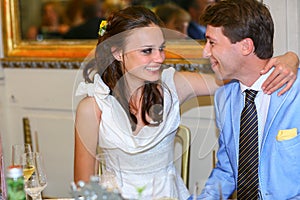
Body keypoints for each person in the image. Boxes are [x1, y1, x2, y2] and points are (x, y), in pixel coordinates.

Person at [74, 5, 299, 200]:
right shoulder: (93, 107)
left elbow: (246, 76)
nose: (159, 58)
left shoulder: (177, 86)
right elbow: (83, 187)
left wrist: (292, 59)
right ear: (118, 53)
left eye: (161, 48)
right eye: (147, 51)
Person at [192, 0, 300, 199]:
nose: (205, 52)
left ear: (245, 46)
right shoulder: (224, 98)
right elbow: (227, 170)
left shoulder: (296, 91)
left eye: (212, 42)